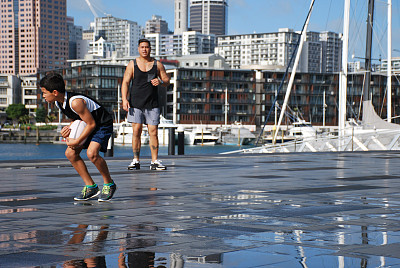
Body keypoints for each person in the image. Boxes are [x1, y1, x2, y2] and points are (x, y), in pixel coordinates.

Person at [39, 72, 117, 201]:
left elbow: (92, 124)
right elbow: (78, 119)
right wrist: (68, 128)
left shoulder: (75, 102)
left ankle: (109, 184)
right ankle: (91, 186)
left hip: (101, 124)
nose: (43, 96)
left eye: (44, 92)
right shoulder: (59, 103)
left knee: (92, 154)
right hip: (88, 124)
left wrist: (77, 141)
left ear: (54, 92)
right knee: (70, 154)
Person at [121, 38, 170, 171]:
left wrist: (160, 81)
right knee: (136, 131)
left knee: (153, 132)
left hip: (152, 104)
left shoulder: (157, 65)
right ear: (138, 48)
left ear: (150, 49)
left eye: (147, 47)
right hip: (135, 104)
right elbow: (125, 82)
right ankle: (135, 160)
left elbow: (167, 80)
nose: (144, 49)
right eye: (142, 47)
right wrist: (124, 99)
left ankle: (154, 161)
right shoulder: (132, 64)